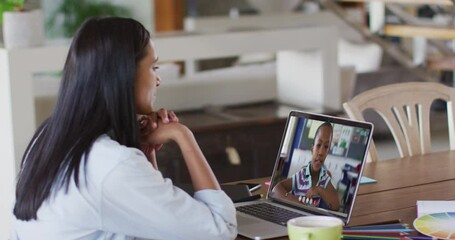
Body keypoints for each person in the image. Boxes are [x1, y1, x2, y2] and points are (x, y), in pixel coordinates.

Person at [11, 17, 237, 240]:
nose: (158, 80)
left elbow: (157, 224)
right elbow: (220, 228)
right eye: (153, 67)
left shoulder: (49, 137)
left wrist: (146, 154)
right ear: (124, 74)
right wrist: (183, 135)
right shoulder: (112, 163)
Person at [271, 122, 340, 211]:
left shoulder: (324, 179)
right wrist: (298, 203)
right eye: (318, 145)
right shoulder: (302, 176)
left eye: (326, 147)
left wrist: (319, 189)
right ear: (312, 149)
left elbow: (336, 205)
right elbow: (276, 190)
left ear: (328, 152)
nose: (321, 152)